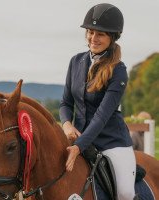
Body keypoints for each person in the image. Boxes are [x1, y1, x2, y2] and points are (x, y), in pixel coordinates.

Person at [59, 3, 137, 200]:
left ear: (112, 37)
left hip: (111, 141)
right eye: (90, 32)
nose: (93, 38)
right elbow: (66, 103)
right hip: (77, 136)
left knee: (126, 193)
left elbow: (102, 116)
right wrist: (67, 124)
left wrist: (79, 147)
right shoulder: (75, 61)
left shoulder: (118, 70)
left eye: (100, 34)